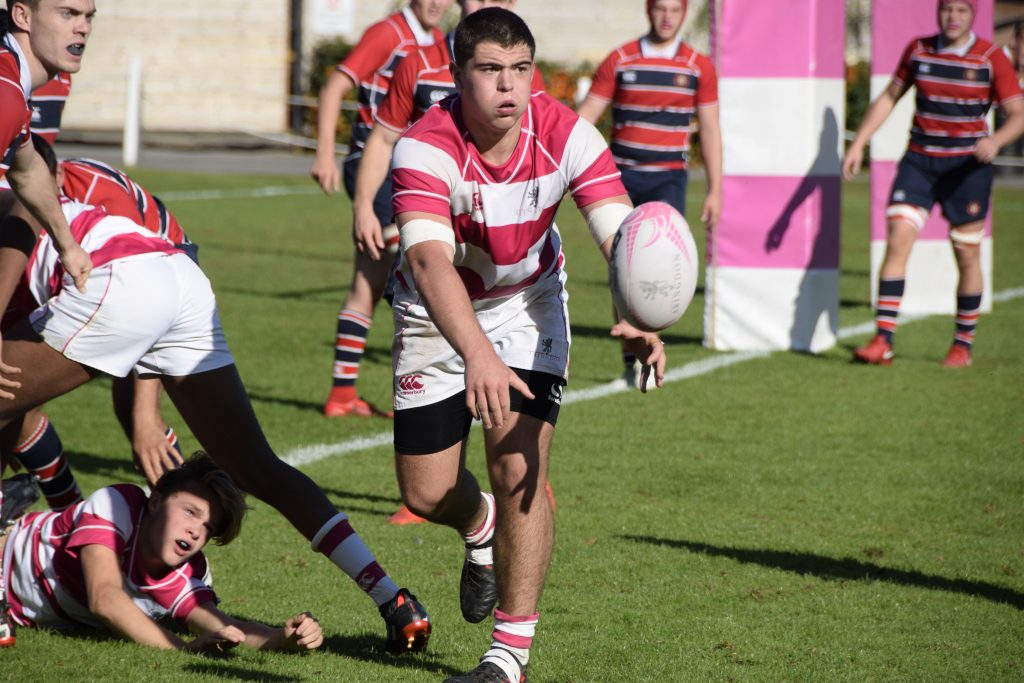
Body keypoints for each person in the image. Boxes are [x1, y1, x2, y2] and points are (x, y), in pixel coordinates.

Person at [0, 163, 432, 655]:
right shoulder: (88, 185)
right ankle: (393, 599)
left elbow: (25, 210)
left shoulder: (37, 180)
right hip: (181, 280)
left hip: (121, 280)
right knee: (257, 467)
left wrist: (144, 415)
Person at [388, 9, 666, 682]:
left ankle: (508, 656)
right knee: (425, 493)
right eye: (489, 70)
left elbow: (619, 231)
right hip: (436, 310)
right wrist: (476, 352)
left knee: (519, 464)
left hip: (528, 305)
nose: (508, 87)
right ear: (457, 75)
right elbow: (427, 264)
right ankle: (477, 522)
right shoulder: (424, 146)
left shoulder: (566, 132)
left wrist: (639, 311)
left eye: (519, 70)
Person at [353, 0, 546, 527]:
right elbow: (387, 136)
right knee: (425, 489)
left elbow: (542, 144)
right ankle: (454, 497)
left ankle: (525, 468)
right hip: (432, 251)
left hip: (507, 270)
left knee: (515, 447)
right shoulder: (416, 63)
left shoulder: (516, 71)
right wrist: (364, 203)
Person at [843, 0, 1024, 368]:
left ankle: (962, 345)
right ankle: (883, 339)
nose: (953, 17)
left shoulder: (990, 58)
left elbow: (1018, 115)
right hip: (920, 163)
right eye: (946, 9)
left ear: (972, 14)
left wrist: (996, 140)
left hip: (967, 170)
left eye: (961, 10)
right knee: (897, 239)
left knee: (966, 254)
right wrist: (859, 142)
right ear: (938, 12)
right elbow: (890, 96)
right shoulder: (919, 49)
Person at [0, 452, 324, 653]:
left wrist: (281, 638)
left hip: (18, 613)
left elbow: (219, 623)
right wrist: (182, 647)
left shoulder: (188, 571)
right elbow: (105, 599)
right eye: (190, 512)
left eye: (208, 527)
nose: (196, 531)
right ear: (155, 502)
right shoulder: (119, 506)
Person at [311, 0, 452, 418]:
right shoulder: (388, 34)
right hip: (376, 168)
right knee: (410, 281)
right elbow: (334, 86)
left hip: (405, 170)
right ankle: (418, 391)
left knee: (367, 283)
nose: (437, 2)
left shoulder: (440, 41)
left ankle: (342, 395)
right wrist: (324, 153)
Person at [576, 0, 720, 389]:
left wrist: (715, 189)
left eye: (675, 8)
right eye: (661, 8)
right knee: (621, 266)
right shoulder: (620, 60)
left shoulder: (697, 66)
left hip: (668, 180)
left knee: (658, 265)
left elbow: (709, 128)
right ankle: (631, 355)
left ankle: (654, 343)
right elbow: (585, 118)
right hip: (619, 179)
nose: (667, 16)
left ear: (685, 12)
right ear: (648, 10)